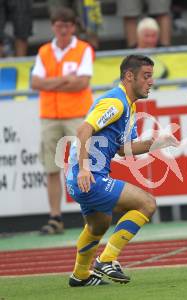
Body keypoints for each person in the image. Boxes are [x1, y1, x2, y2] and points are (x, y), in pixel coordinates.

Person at [66, 54, 179, 287]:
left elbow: (122, 150)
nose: (151, 82)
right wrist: (84, 169)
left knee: (98, 224)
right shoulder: (116, 102)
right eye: (146, 76)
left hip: (84, 178)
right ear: (129, 76)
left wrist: (157, 142)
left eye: (152, 76)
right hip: (89, 177)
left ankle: (80, 275)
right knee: (147, 203)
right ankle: (106, 259)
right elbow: (83, 130)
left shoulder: (129, 106)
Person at [31, 7, 95, 235]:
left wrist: (51, 82)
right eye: (59, 25)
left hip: (77, 115)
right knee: (51, 168)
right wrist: (65, 80)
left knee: (83, 165)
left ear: (73, 27)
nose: (63, 30)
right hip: (50, 115)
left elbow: (81, 83)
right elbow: (35, 83)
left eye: (67, 25)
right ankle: (55, 217)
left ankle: (91, 215)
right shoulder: (45, 50)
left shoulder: (84, 49)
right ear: (53, 27)